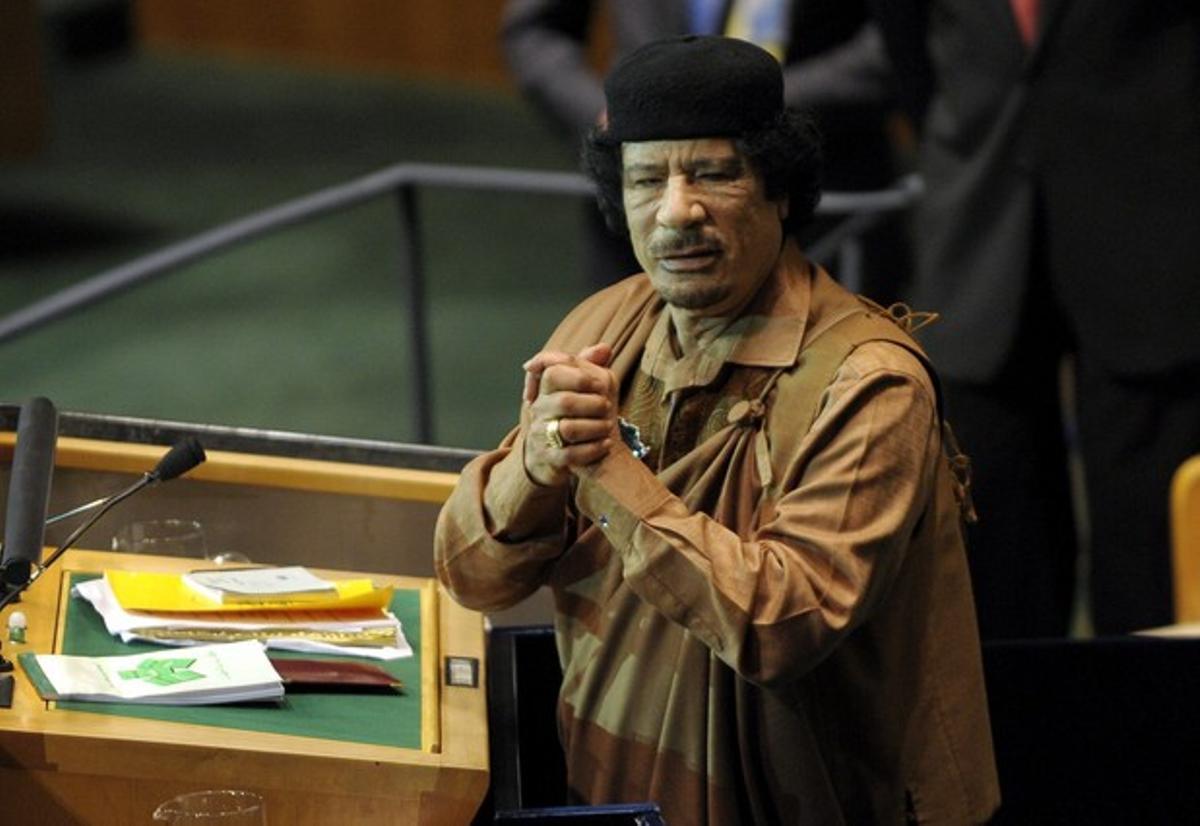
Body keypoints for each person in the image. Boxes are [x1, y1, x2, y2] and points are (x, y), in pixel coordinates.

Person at [435, 35, 999, 824]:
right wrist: (533, 463)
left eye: (714, 173)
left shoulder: (868, 384)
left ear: (779, 187)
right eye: (645, 179)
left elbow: (780, 624)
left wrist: (608, 471)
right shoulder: (603, 323)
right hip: (609, 789)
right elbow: (470, 576)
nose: (676, 212)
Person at [872, 1, 1200, 638]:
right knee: (993, 527)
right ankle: (1024, 732)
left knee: (1148, 539)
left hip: (1157, 225)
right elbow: (905, 44)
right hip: (978, 217)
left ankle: (1153, 728)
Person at [502, 0, 906, 299]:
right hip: (635, 217)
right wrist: (610, 116)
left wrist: (749, 104)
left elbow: (901, 43)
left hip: (825, 208)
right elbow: (535, 32)